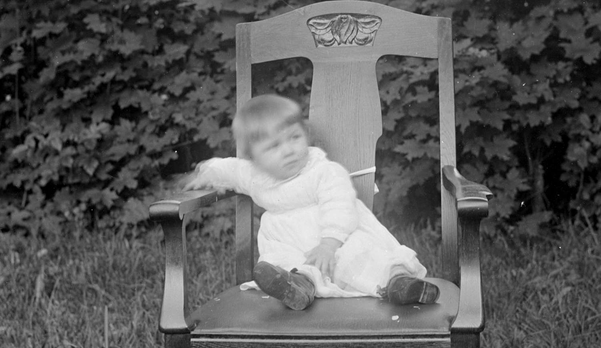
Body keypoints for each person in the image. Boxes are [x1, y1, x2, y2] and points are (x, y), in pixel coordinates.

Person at [182, 94, 439, 312]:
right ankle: (297, 287)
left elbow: (340, 205)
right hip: (293, 243)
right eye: (274, 146)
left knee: (362, 255)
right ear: (255, 158)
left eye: (294, 137)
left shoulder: (323, 171)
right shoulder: (254, 175)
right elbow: (230, 169)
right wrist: (204, 173)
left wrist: (329, 243)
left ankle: (399, 283)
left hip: (336, 238)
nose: (288, 150)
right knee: (283, 259)